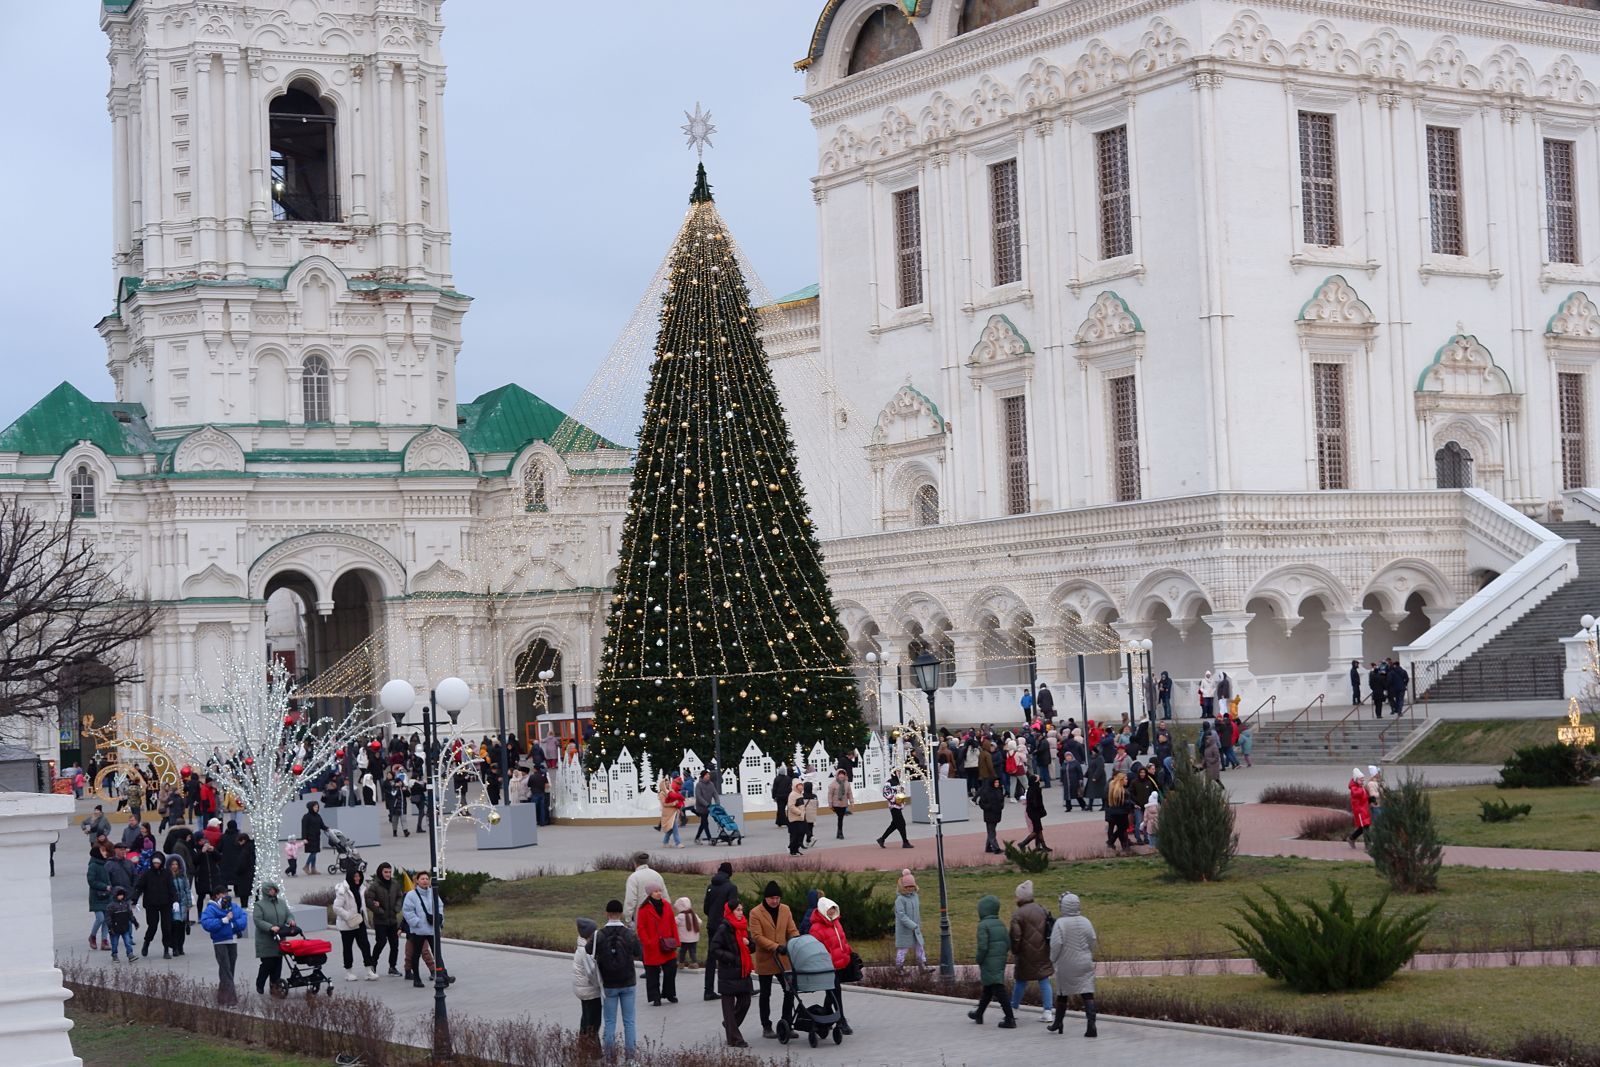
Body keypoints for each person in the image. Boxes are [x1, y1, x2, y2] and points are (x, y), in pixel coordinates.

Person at [593, 899, 642, 1059]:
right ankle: (631, 1059)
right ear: (621, 914)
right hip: (628, 982)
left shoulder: (599, 935)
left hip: (608, 985)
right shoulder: (629, 933)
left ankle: (609, 1059)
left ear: (607, 914)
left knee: (610, 1023)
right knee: (629, 1022)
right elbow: (639, 952)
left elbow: (589, 952)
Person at [748, 880, 797, 1039]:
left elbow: (792, 930)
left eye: (777, 898)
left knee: (790, 990)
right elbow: (757, 937)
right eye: (771, 898)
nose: (775, 901)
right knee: (765, 994)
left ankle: (786, 1023)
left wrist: (796, 941)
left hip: (783, 959)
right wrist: (775, 946)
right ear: (766, 898)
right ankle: (766, 1026)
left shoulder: (785, 909)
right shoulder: (755, 913)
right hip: (766, 959)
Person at [1047, 892, 1099, 1037]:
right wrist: (1087, 952)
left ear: (1063, 906)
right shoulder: (1086, 921)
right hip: (1084, 962)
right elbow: (1092, 939)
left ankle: (1058, 1023)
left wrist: (1053, 959)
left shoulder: (1060, 924)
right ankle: (1091, 1025)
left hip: (1066, 963)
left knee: (1063, 993)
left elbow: (1056, 944)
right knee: (1087, 992)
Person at [1009, 879, 1055, 1024]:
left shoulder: (1018, 915)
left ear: (1020, 897)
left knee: (1021, 981)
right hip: (1042, 952)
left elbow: (1016, 937)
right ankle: (1048, 1011)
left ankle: (1014, 1008)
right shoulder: (1042, 909)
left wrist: (1015, 951)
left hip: (1025, 954)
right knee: (1044, 980)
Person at [968, 894, 1016, 1027]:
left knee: (998, 989)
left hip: (988, 961)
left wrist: (979, 959)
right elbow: (1008, 943)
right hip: (999, 960)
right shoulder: (1000, 923)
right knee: (988, 989)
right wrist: (1000, 955)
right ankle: (979, 1013)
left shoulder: (983, 925)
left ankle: (1010, 1018)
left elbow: (983, 946)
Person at [808, 897, 853, 1035]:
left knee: (831, 992)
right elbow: (816, 949)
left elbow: (842, 941)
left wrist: (848, 953)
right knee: (835, 991)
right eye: (829, 909)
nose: (832, 911)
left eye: (834, 908)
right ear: (823, 910)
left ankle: (825, 1017)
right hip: (826, 967)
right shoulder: (816, 928)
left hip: (839, 964)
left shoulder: (836, 923)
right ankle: (841, 1020)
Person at [199, 888, 248, 1004]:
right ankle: (231, 999)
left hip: (232, 941)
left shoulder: (233, 906)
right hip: (220, 942)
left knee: (229, 969)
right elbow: (207, 924)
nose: (226, 895)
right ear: (216, 895)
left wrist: (233, 925)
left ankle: (222, 997)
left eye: (227, 893)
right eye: (223, 893)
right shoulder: (211, 909)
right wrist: (223, 921)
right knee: (226, 969)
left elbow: (243, 918)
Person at [403, 872, 450, 988]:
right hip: (418, 930)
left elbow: (440, 906)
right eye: (422, 879)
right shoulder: (411, 895)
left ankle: (444, 976)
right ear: (417, 881)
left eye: (426, 878)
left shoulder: (433, 893)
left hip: (432, 929)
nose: (425, 880)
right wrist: (417, 922)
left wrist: (440, 919)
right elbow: (407, 911)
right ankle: (417, 979)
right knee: (416, 954)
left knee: (437, 954)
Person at [635, 883, 679, 1006]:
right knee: (652, 973)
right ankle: (655, 997)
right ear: (650, 894)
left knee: (671, 969)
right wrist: (647, 941)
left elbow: (672, 924)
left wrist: (676, 940)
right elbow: (641, 928)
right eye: (655, 891)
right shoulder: (643, 909)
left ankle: (669, 993)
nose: (659, 893)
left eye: (660, 891)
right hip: (652, 945)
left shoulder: (667, 905)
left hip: (667, 944)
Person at [702, 861, 739, 1001]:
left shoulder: (711, 886)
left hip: (711, 926)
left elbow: (706, 908)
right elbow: (732, 908)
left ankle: (708, 990)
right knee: (734, 955)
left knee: (711, 958)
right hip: (725, 927)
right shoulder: (731, 887)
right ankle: (736, 987)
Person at [333, 869, 380, 981]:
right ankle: (348, 972)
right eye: (355, 876)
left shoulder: (361, 889)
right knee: (348, 948)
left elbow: (362, 904)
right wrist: (349, 916)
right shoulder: (342, 890)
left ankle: (369, 971)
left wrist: (373, 904)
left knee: (365, 946)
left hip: (359, 922)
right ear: (350, 877)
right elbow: (336, 907)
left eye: (359, 876)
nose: (357, 879)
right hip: (347, 924)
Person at [251, 880, 293, 995]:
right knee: (268, 963)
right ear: (265, 891)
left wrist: (290, 920)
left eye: (274, 889)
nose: (273, 891)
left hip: (279, 939)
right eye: (270, 890)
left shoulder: (282, 903)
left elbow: (288, 914)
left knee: (277, 965)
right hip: (265, 940)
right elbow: (258, 920)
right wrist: (270, 927)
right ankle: (260, 982)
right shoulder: (259, 905)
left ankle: (274, 987)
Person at [365, 861, 405, 976]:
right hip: (380, 921)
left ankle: (392, 967)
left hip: (392, 919)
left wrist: (396, 909)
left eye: (389, 872)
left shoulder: (395, 884)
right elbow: (369, 901)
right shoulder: (375, 886)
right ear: (380, 872)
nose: (388, 874)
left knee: (394, 944)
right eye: (385, 872)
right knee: (381, 942)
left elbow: (400, 897)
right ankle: (373, 964)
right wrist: (380, 911)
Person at [135, 851, 174, 957]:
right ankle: (146, 942)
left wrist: (175, 901)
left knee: (166, 927)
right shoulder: (147, 874)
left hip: (165, 904)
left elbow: (171, 888)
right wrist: (135, 900)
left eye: (158, 863)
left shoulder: (167, 873)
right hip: (151, 904)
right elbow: (139, 887)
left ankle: (166, 949)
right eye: (154, 863)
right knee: (152, 926)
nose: (156, 865)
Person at [572, 917, 602, 1041]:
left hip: (582, 990)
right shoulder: (586, 951)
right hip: (590, 992)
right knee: (594, 1023)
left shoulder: (581, 948)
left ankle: (582, 1048)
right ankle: (595, 1053)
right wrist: (600, 986)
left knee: (586, 1019)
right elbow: (592, 974)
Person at [622, 852, 667, 925]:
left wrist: (628, 918)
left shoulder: (633, 877)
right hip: (659, 915)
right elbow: (665, 897)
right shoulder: (657, 875)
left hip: (642, 917)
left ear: (635, 862)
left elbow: (630, 900)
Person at [893, 869, 926, 967]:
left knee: (920, 946)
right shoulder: (900, 899)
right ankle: (899, 967)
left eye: (912, 886)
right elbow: (901, 916)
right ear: (903, 887)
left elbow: (917, 912)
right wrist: (912, 925)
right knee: (903, 949)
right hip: (905, 930)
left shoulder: (915, 897)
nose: (910, 889)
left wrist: (918, 924)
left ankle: (922, 964)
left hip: (915, 928)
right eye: (907, 887)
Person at [876, 772, 912, 849]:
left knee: (895, 824)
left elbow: (901, 793)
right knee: (901, 823)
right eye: (897, 772)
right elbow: (886, 793)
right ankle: (905, 842)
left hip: (898, 805)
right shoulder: (889, 782)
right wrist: (894, 800)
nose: (899, 773)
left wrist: (902, 801)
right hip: (893, 806)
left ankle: (882, 839)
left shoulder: (898, 782)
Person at [87, 844, 112, 951]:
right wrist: (104, 886)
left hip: (107, 896)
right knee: (100, 918)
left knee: (106, 919)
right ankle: (92, 936)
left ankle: (104, 940)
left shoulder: (107, 864)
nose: (105, 853)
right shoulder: (93, 865)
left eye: (105, 851)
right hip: (96, 896)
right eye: (103, 851)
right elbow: (91, 881)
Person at [106, 886, 137, 962]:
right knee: (114, 943)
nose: (121, 896)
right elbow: (108, 917)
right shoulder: (111, 906)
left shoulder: (126, 905)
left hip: (124, 927)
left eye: (122, 895)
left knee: (127, 942)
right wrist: (110, 927)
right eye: (119, 895)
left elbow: (130, 915)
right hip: (115, 928)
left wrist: (135, 922)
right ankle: (114, 955)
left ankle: (130, 954)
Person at [1105, 771, 1133, 852]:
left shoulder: (1115, 789)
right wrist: (1130, 804)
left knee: (1121, 829)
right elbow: (1122, 801)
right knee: (1122, 828)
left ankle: (1123, 845)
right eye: (1125, 779)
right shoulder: (1119, 790)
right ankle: (1113, 842)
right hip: (1121, 812)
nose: (1127, 780)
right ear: (1121, 780)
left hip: (1117, 812)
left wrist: (1132, 804)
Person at [978, 775, 1005, 854]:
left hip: (997, 814)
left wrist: (1001, 806)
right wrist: (989, 807)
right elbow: (981, 803)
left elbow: (1001, 800)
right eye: (995, 782)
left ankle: (988, 847)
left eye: (998, 782)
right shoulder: (986, 792)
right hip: (989, 814)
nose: (997, 783)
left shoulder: (998, 790)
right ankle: (996, 848)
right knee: (992, 832)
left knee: (991, 832)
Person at [674, 895, 702, 971]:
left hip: (684, 939)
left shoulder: (680, 916)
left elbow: (673, 923)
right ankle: (694, 963)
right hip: (694, 938)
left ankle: (681, 963)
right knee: (693, 951)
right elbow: (700, 922)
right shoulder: (694, 915)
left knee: (682, 951)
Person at [300, 801, 328, 875]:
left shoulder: (318, 816)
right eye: (315, 807)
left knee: (315, 853)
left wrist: (327, 828)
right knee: (313, 852)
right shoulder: (306, 817)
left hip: (316, 837)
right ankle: (306, 866)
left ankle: (313, 868)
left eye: (317, 807)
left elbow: (321, 825)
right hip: (309, 837)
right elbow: (304, 828)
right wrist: (304, 838)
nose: (316, 808)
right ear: (311, 807)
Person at [692, 770, 719, 845]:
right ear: (703, 776)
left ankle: (697, 838)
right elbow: (699, 797)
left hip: (708, 807)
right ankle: (710, 839)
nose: (708, 776)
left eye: (708, 775)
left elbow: (715, 794)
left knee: (703, 823)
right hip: (701, 807)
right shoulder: (699, 785)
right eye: (706, 775)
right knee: (705, 823)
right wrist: (706, 804)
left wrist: (717, 804)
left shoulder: (711, 784)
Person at [658, 775, 685, 849]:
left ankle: (665, 842)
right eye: (665, 783)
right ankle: (678, 843)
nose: (667, 785)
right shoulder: (662, 794)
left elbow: (677, 799)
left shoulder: (671, 791)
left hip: (674, 812)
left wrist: (679, 809)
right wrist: (673, 804)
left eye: (668, 783)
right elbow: (664, 804)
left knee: (670, 829)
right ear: (662, 785)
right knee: (675, 828)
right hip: (668, 813)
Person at [1348, 768, 1373, 847]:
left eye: (1363, 780)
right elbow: (1357, 794)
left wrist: (1370, 799)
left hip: (1364, 809)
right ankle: (1368, 845)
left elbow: (1364, 798)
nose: (1362, 782)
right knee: (1365, 827)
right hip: (1359, 811)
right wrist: (1363, 789)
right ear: (1356, 780)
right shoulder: (1354, 788)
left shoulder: (1361, 787)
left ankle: (1352, 838)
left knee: (1364, 827)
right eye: (1361, 780)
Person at [827, 769, 854, 840]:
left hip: (844, 803)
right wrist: (830, 804)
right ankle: (840, 832)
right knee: (840, 817)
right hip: (835, 804)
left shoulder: (847, 783)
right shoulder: (833, 784)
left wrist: (851, 802)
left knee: (840, 818)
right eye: (840, 775)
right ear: (837, 775)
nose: (842, 776)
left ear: (845, 776)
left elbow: (849, 793)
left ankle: (839, 832)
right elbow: (830, 794)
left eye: (843, 775)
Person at [784, 780, 808, 857]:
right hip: (794, 819)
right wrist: (799, 812)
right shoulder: (792, 795)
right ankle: (792, 850)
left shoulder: (800, 794)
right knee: (795, 835)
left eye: (802, 785)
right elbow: (791, 806)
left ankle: (796, 849)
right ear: (795, 786)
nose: (801, 786)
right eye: (799, 785)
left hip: (801, 818)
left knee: (801, 833)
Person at [770, 763, 792, 829]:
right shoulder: (788, 778)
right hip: (787, 796)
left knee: (780, 809)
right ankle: (779, 822)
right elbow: (790, 787)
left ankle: (785, 822)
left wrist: (773, 796)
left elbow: (774, 789)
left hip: (779, 797)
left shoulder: (776, 779)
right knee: (786, 809)